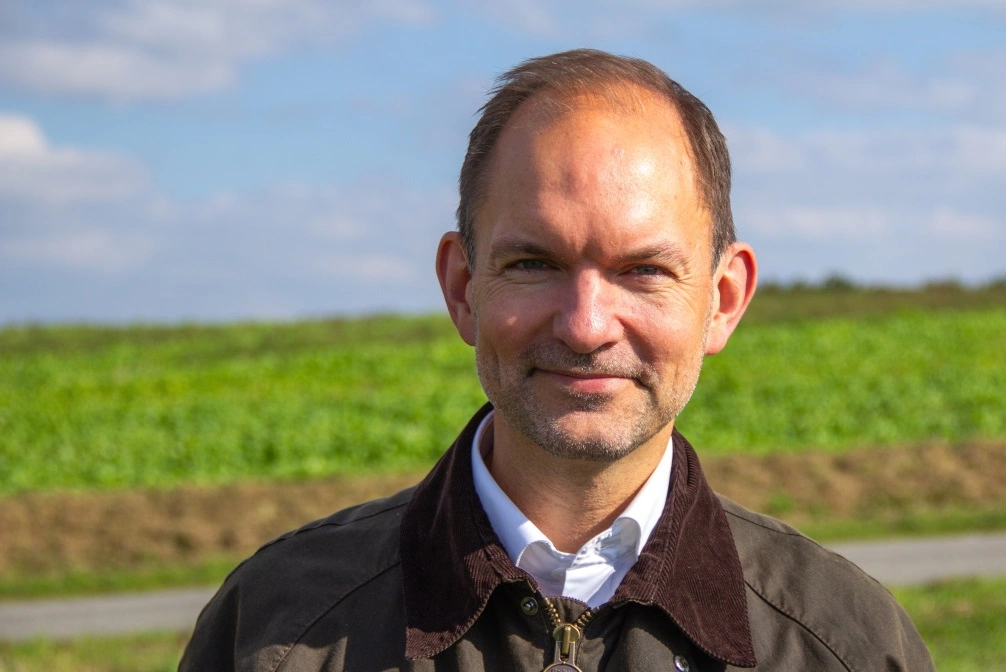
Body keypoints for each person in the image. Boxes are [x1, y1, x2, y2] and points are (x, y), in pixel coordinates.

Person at [180, 49, 934, 672]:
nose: (584, 326)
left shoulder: (841, 644)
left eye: (643, 271)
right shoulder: (276, 633)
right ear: (462, 288)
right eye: (534, 263)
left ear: (723, 300)